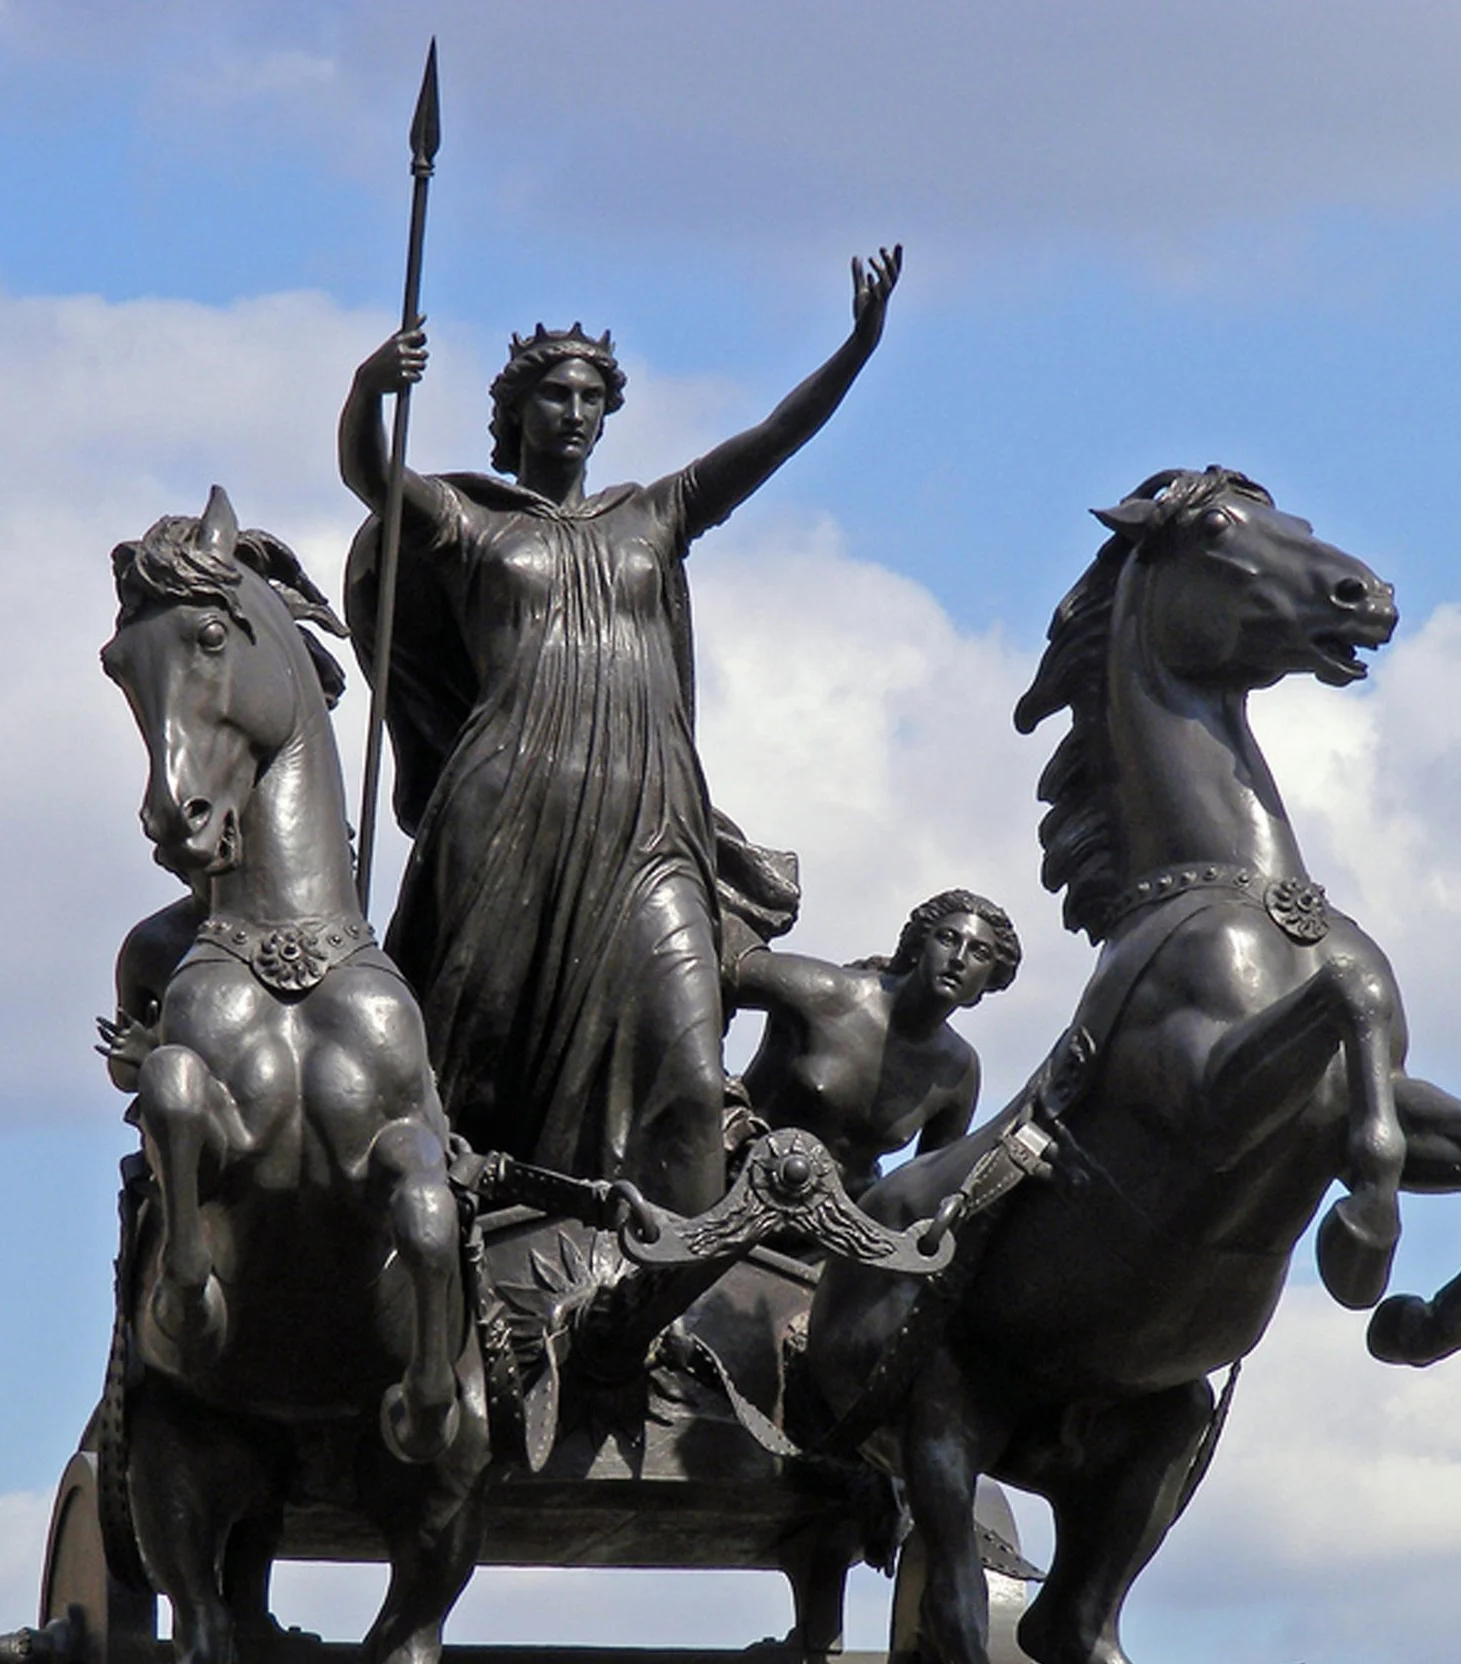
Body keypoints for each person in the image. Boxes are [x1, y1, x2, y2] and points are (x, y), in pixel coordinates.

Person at [338, 248, 900, 1214]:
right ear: (515, 411)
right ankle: (437, 1243)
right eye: (554, 394)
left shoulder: (655, 512)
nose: (575, 411)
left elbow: (771, 439)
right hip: (511, 806)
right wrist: (367, 390)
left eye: (592, 396)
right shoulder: (473, 524)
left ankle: (666, 1294)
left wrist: (857, 348)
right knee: (466, 1053)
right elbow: (370, 476)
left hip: (648, 820)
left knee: (684, 1064)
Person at [723, 888, 1020, 1192]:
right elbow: (715, 971)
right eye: (947, 939)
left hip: (839, 1224)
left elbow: (927, 1188)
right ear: (918, 946)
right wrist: (703, 1087)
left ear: (988, 981)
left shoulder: (959, 1070)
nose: (958, 959)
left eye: (979, 953)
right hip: (729, 1183)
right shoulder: (823, 992)